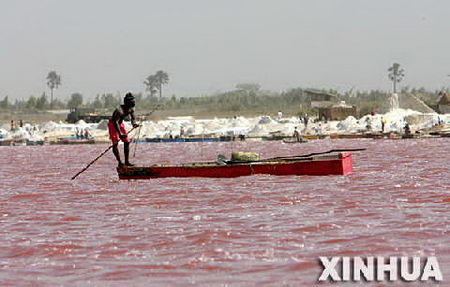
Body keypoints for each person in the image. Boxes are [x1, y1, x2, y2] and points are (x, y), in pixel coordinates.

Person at [108, 92, 139, 167]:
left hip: (120, 124)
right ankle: (120, 162)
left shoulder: (131, 109)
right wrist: (120, 134)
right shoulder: (119, 110)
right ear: (127, 102)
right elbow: (115, 122)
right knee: (115, 144)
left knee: (127, 141)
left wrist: (134, 124)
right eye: (131, 102)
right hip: (113, 125)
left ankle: (126, 162)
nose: (133, 104)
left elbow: (133, 118)